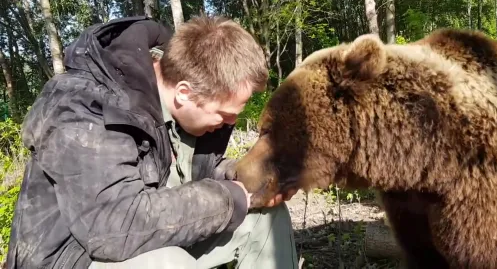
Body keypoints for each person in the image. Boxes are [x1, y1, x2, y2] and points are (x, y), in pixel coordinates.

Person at [5, 15, 298, 269]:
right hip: (75, 256)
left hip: (146, 237)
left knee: (265, 218)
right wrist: (229, 198)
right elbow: (112, 226)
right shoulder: (86, 107)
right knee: (168, 264)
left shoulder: (183, 107)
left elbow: (192, 173)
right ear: (184, 93)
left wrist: (245, 179)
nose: (231, 123)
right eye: (224, 114)